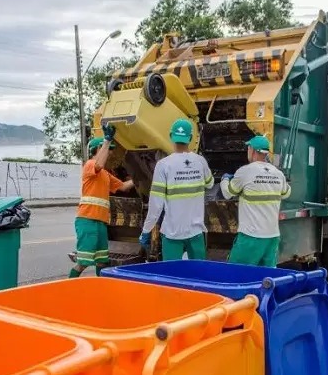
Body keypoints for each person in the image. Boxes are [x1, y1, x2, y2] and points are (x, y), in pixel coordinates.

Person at [140, 118, 214, 260]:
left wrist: (146, 230)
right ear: (191, 138)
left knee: (171, 278)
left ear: (171, 136)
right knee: (198, 276)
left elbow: (156, 205)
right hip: (196, 234)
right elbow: (210, 184)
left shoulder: (163, 165)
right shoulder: (200, 161)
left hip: (172, 234)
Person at [68, 126, 134, 277]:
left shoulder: (105, 174)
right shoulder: (90, 165)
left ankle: (100, 288)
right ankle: (69, 288)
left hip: (100, 223)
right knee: (83, 262)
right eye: (108, 149)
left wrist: (139, 177)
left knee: (102, 261)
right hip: (87, 221)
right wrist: (107, 140)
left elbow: (123, 187)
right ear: (98, 148)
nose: (111, 153)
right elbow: (99, 164)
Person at [219, 135, 290, 267]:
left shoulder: (245, 172)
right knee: (267, 278)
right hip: (272, 237)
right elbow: (286, 193)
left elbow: (227, 193)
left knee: (236, 274)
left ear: (253, 150)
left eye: (248, 148)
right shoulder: (278, 174)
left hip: (251, 237)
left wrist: (225, 179)